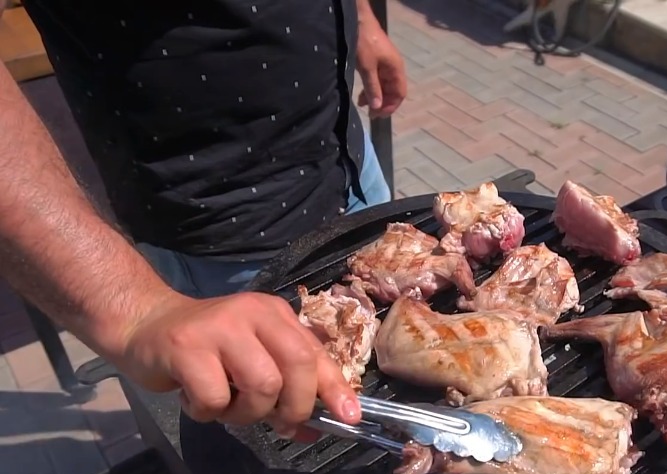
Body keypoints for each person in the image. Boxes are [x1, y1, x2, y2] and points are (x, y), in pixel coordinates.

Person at [0, 0, 407, 437]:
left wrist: (358, 18)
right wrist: (136, 309)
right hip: (226, 232)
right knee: (278, 428)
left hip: (346, 152)